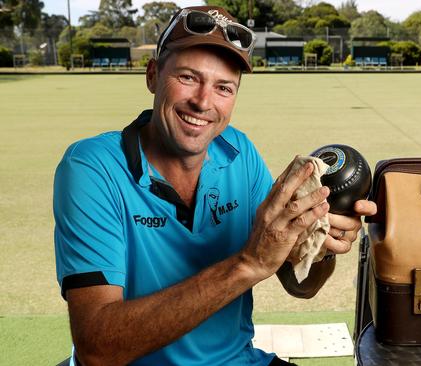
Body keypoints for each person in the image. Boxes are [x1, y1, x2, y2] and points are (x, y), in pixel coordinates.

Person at [53, 6, 376, 366]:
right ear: (153, 75)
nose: (204, 102)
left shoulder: (239, 153)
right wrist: (248, 263)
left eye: (224, 87)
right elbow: (97, 349)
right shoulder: (93, 166)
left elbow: (300, 285)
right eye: (188, 78)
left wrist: (318, 243)